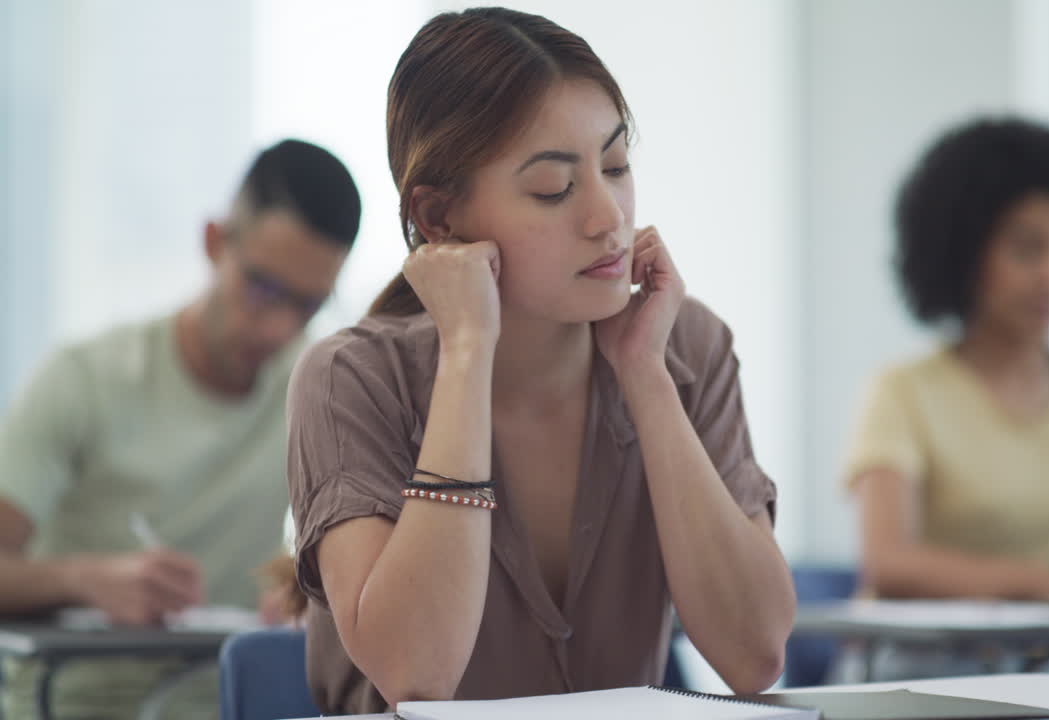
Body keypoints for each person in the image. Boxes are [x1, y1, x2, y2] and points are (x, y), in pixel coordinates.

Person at [286, 7, 795, 713]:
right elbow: (416, 674)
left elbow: (754, 654)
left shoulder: (684, 346)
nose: (607, 217)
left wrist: (646, 376)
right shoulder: (352, 379)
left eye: (615, 166)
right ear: (437, 219)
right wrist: (467, 351)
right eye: (554, 188)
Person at [0, 138, 361, 719]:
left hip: (220, 702)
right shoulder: (85, 379)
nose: (279, 328)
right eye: (264, 289)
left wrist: (298, 597)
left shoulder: (308, 386)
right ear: (215, 243)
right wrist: (85, 580)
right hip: (73, 703)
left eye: (308, 305)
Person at [847, 117, 1049, 605]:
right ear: (966, 254)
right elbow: (889, 563)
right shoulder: (904, 392)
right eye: (1026, 250)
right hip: (919, 665)